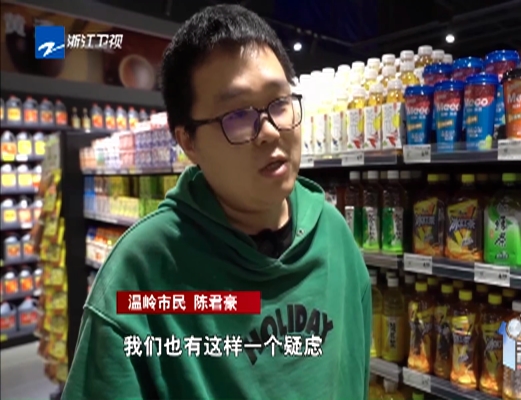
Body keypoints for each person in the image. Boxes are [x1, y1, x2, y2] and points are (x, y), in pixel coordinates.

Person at [62, 4, 371, 400]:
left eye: (279, 102)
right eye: (238, 115)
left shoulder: (335, 237)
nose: (269, 131)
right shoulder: (141, 271)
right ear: (188, 141)